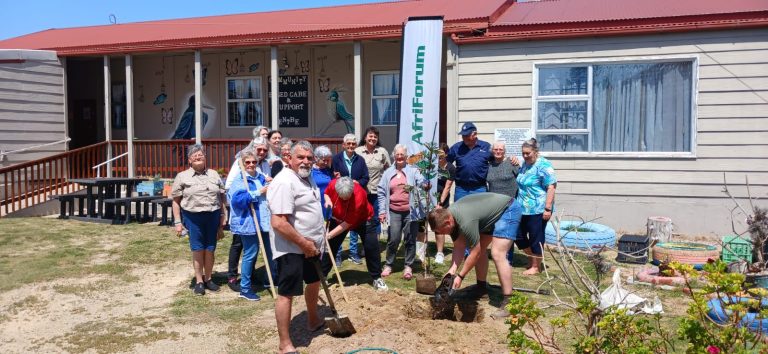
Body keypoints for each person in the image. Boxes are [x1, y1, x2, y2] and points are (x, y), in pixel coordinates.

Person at [267, 140, 325, 354]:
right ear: (288, 159)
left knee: (314, 281)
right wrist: (303, 243)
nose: (306, 161)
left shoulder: (307, 177)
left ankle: (312, 320)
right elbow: (279, 223)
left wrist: (313, 242)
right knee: (287, 293)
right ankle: (285, 344)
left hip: (312, 246)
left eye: (309, 158)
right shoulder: (284, 181)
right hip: (292, 248)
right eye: (300, 157)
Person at [427, 192, 522, 319]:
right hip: (487, 215)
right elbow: (459, 246)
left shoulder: (465, 221)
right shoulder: (449, 217)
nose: (442, 234)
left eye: (442, 231)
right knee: (480, 248)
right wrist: (452, 271)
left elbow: (475, 253)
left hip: (508, 209)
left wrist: (460, 276)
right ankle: (481, 288)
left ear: (448, 222)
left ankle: (509, 301)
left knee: (497, 253)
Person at [171, 144, 228, 296]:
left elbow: (221, 197)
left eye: (200, 154)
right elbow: (176, 201)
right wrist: (178, 222)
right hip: (193, 217)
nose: (198, 156)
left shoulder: (214, 174)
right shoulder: (182, 177)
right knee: (197, 249)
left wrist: (223, 216)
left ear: (205, 157)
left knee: (210, 249)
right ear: (189, 160)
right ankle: (199, 281)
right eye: (194, 155)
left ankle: (209, 279)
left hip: (213, 216)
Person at [227, 150, 276, 301]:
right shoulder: (240, 180)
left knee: (270, 252)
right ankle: (245, 288)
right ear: (242, 163)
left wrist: (271, 183)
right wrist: (259, 191)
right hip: (249, 223)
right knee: (250, 254)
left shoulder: (261, 177)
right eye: (247, 162)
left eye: (254, 162)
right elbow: (238, 201)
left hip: (265, 221)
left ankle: (271, 280)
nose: (251, 165)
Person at [323, 177, 387, 291]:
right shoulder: (334, 184)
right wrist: (328, 200)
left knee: (371, 247)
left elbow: (347, 223)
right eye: (341, 197)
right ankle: (322, 276)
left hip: (364, 220)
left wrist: (328, 235)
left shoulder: (359, 195)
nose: (344, 199)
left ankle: (377, 278)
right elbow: (326, 193)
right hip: (338, 218)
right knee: (330, 246)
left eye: (346, 197)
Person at [377, 144, 428, 280]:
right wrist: (382, 211)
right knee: (393, 239)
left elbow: (421, 182)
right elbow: (381, 192)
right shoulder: (388, 173)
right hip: (394, 211)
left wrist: (425, 184)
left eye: (402, 155)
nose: (399, 157)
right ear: (394, 156)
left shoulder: (413, 171)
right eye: (397, 154)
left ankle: (408, 266)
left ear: (406, 156)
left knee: (410, 239)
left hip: (411, 212)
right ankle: (389, 264)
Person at [515, 138, 557, 275]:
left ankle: (536, 266)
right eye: (523, 153)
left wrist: (548, 208)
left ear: (535, 151)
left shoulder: (544, 165)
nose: (525, 156)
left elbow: (551, 187)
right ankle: (532, 258)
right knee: (518, 235)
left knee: (536, 237)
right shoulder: (525, 164)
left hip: (538, 209)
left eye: (528, 153)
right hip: (522, 208)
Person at [331, 133, 370, 265]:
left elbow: (366, 178)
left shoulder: (360, 160)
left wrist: (357, 183)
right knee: (340, 224)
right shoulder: (336, 159)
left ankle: (353, 253)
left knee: (353, 224)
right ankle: (337, 255)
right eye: (348, 143)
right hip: (341, 197)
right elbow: (333, 177)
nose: (351, 146)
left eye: (353, 144)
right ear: (344, 145)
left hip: (355, 197)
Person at [354, 127, 390, 262]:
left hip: (377, 192)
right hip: (360, 192)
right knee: (360, 219)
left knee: (376, 220)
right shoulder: (358, 151)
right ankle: (362, 246)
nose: (373, 138)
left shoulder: (382, 152)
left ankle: (373, 246)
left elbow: (388, 169)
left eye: (375, 136)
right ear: (365, 137)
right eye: (370, 136)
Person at [447, 122, 493, 201]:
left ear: (475, 134)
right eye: (463, 135)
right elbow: (446, 163)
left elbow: (497, 160)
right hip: (461, 189)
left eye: (466, 135)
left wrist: (511, 159)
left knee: (480, 213)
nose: (464, 138)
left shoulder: (486, 146)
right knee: (460, 213)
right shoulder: (457, 147)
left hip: (480, 189)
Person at [434, 143, 456, 265]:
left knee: (439, 226)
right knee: (422, 226)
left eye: (441, 153)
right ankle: (421, 251)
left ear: (446, 154)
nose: (439, 156)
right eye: (437, 153)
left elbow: (447, 187)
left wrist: (440, 203)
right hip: (428, 199)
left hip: (441, 201)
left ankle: (440, 253)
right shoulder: (431, 166)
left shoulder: (450, 168)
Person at [311, 145, 334, 221]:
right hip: (316, 203)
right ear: (316, 158)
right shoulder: (310, 171)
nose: (326, 163)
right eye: (324, 160)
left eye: (328, 160)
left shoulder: (329, 170)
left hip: (328, 203)